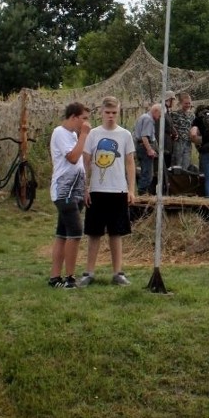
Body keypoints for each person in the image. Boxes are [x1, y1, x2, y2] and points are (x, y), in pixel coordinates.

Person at [79, 96, 136, 286]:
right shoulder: (93, 134)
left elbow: (130, 163)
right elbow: (86, 162)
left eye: (114, 113)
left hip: (118, 190)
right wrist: (85, 187)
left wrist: (131, 189)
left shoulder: (125, 135)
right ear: (101, 112)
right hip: (96, 190)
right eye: (107, 113)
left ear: (118, 113)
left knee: (116, 232)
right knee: (94, 233)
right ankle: (89, 273)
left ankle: (118, 272)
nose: (111, 116)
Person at [48, 102, 91, 288]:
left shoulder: (73, 135)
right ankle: (70, 279)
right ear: (73, 117)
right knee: (75, 233)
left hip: (76, 191)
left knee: (62, 234)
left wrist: (85, 189)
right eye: (84, 118)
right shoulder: (60, 133)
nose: (86, 123)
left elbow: (81, 163)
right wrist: (84, 136)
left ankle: (55, 277)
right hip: (64, 190)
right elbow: (73, 158)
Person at [133, 102, 161, 195]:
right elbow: (144, 137)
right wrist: (150, 150)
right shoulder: (148, 119)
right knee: (148, 174)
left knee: (144, 171)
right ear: (156, 111)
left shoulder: (144, 117)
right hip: (144, 148)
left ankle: (142, 191)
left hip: (140, 147)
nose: (160, 117)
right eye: (160, 114)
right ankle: (142, 194)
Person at [170, 92, 195, 169]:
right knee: (177, 164)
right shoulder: (174, 114)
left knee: (186, 163)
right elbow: (170, 127)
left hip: (188, 142)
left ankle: (184, 179)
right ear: (181, 103)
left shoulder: (192, 115)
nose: (188, 105)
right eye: (186, 103)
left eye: (189, 103)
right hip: (178, 142)